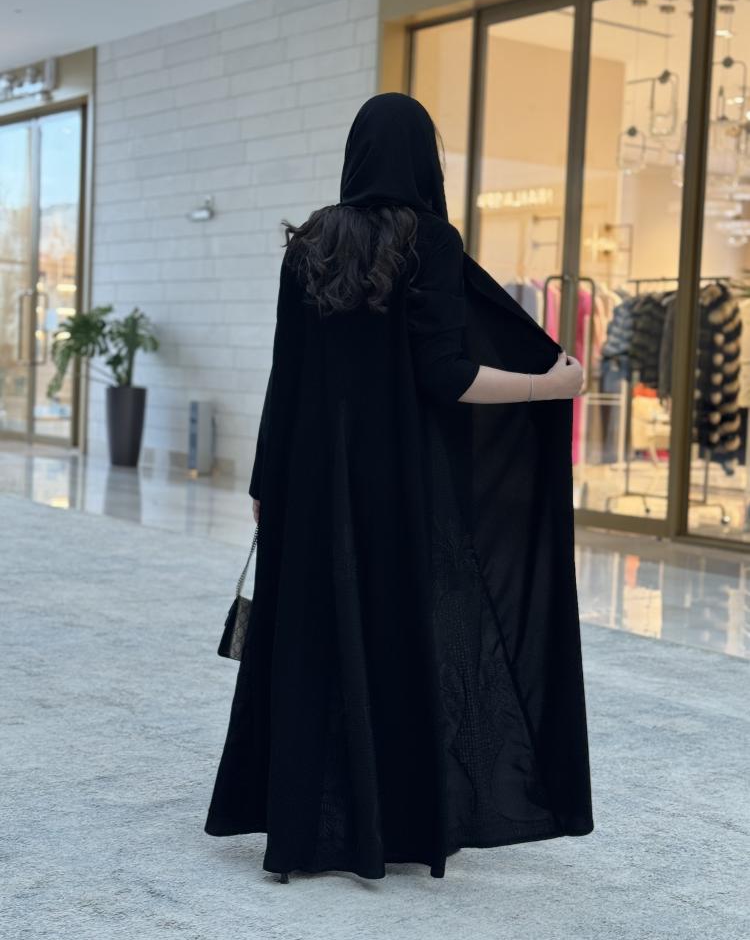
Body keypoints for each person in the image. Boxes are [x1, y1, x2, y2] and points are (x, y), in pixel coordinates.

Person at [204, 92, 593, 882]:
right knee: (397, 641)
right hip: (401, 491)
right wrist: (549, 386)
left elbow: (286, 378)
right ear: (424, 160)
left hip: (309, 484)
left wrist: (264, 484)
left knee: (309, 642)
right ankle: (394, 824)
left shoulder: (309, 244)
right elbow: (446, 376)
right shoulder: (430, 242)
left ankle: (301, 829)